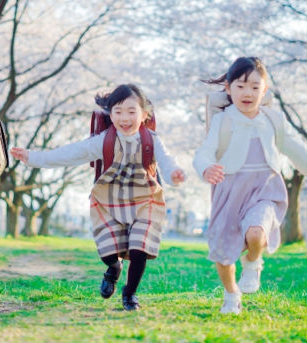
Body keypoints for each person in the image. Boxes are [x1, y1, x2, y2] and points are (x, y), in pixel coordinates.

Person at [10, 84, 185, 311]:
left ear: (144, 114)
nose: (124, 118)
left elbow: (167, 160)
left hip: (144, 199)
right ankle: (113, 268)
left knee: (139, 249)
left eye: (132, 111)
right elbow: (70, 154)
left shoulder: (151, 139)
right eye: (118, 111)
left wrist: (174, 174)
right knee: (108, 251)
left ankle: (129, 294)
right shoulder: (104, 141)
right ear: (110, 114)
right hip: (109, 199)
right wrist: (33, 157)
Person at [193, 57, 307, 314]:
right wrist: (206, 167)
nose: (248, 93)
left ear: (264, 91)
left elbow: (293, 147)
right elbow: (204, 152)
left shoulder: (272, 119)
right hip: (229, 192)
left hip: (264, 189)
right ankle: (232, 295)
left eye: (255, 87)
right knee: (223, 255)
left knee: (256, 233)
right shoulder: (223, 121)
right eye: (241, 86)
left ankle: (253, 262)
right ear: (229, 89)